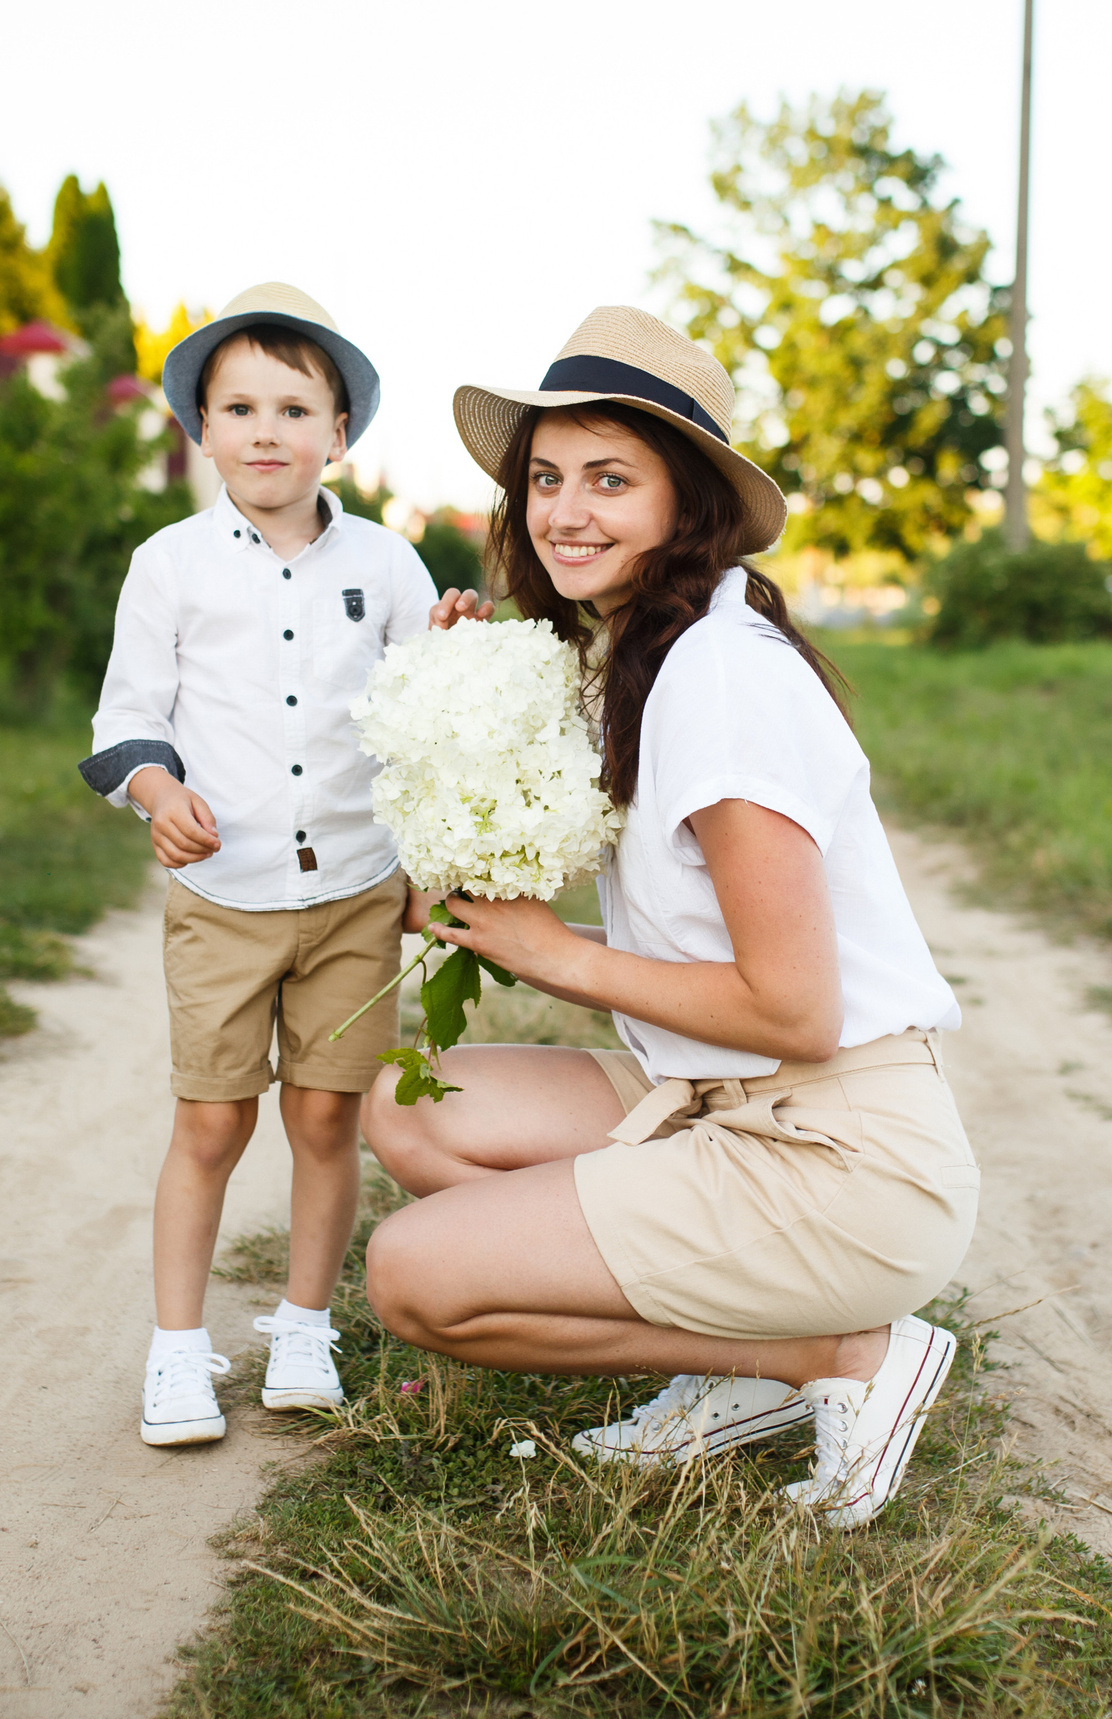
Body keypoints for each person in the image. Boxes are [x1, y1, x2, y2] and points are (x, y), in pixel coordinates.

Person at [360, 307, 980, 1529]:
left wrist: (563, 959)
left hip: (840, 1152)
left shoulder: (721, 677)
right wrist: (468, 697)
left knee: (412, 1277)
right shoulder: (644, 655)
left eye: (609, 478)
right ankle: (745, 1349)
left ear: (684, 501)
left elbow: (797, 1010)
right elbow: (496, 878)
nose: (564, 510)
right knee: (415, 1112)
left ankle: (838, 1354)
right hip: (720, 1098)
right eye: (544, 477)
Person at [80, 284, 435, 1447]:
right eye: (239, 406)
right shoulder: (169, 564)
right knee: (211, 1125)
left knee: (327, 1119)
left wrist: (458, 649)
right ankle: (178, 1349)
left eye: (295, 407)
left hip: (353, 893)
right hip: (223, 899)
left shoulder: (385, 566)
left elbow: (424, 711)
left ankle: (300, 1325)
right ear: (202, 426)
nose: (266, 429)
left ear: (339, 433)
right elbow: (125, 713)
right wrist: (154, 785)